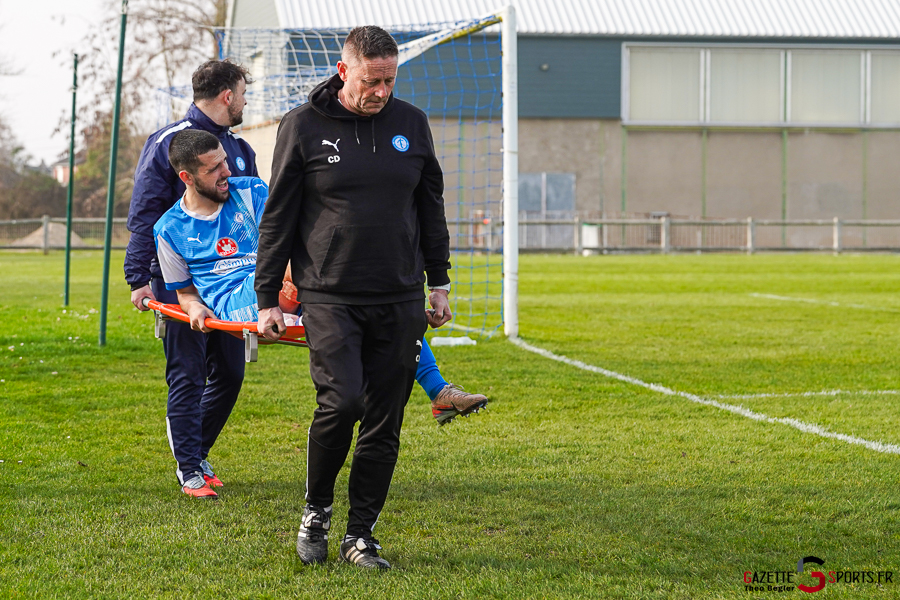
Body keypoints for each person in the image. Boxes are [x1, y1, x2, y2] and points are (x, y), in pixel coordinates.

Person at [253, 25, 456, 569]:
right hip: (328, 293)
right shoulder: (302, 126)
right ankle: (316, 512)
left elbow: (430, 207)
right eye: (372, 80)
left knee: (385, 418)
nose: (382, 91)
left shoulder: (411, 124)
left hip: (399, 294)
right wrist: (268, 296)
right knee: (342, 403)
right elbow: (278, 218)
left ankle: (360, 535)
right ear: (345, 71)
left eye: (389, 80)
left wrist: (439, 281)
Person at [124, 60, 256, 499]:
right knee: (188, 374)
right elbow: (146, 214)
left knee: (231, 374)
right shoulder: (168, 143)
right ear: (226, 96)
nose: (244, 101)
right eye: (242, 92)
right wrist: (138, 277)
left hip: (233, 284)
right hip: (177, 282)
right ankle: (189, 470)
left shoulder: (239, 149)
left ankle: (196, 453)